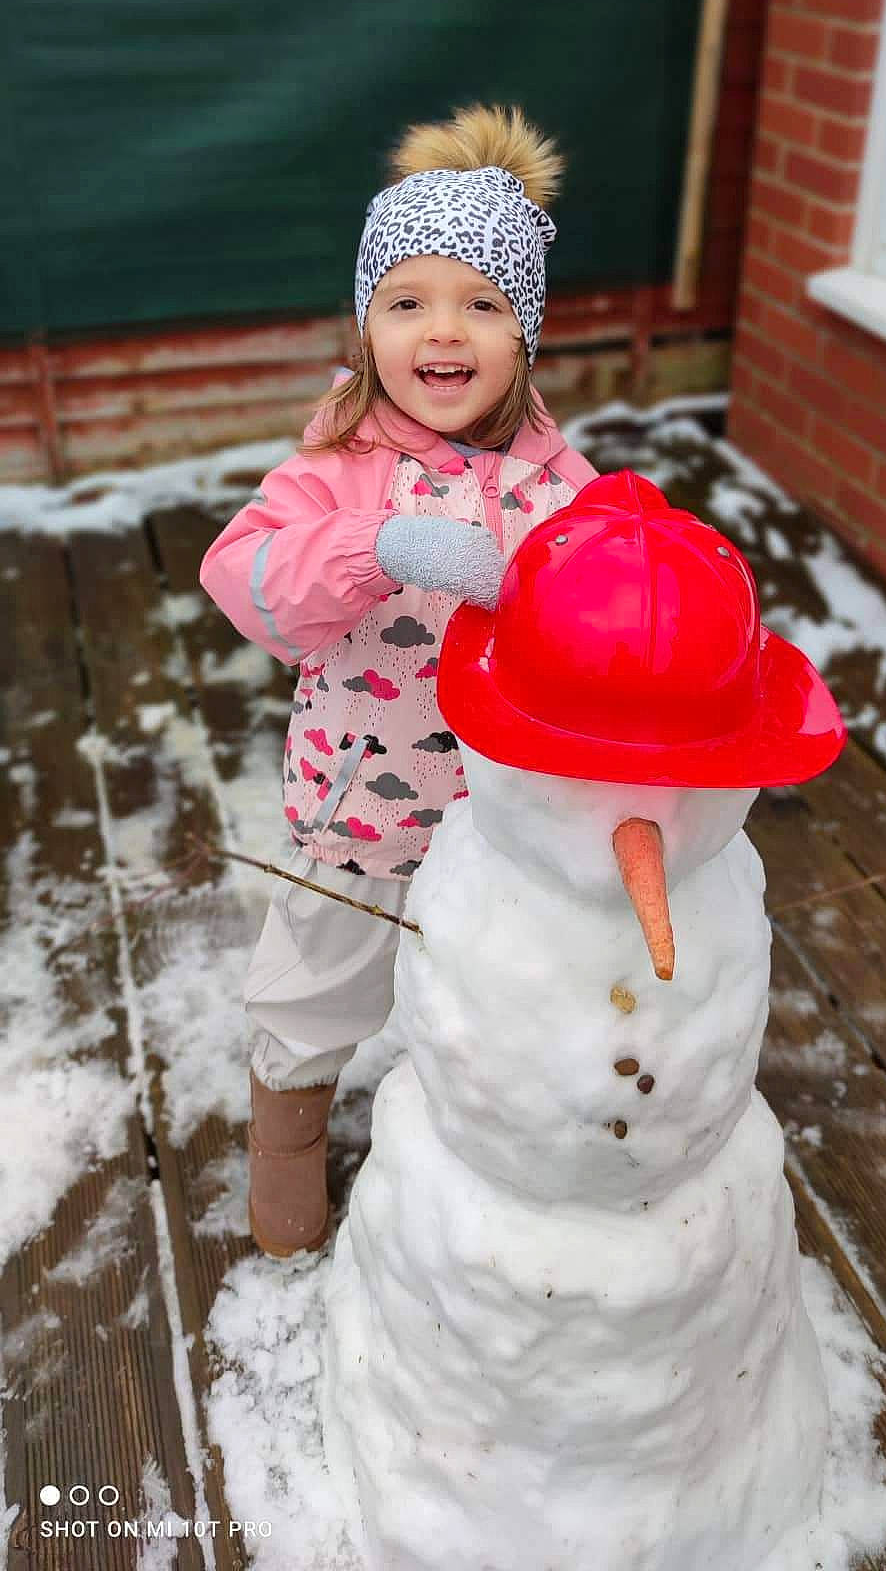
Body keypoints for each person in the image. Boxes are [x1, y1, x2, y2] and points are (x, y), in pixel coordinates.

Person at [199, 103, 597, 1257]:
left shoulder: (554, 476)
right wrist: (377, 549)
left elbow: (598, 601)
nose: (444, 331)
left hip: (506, 805)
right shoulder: (337, 464)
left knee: (495, 980)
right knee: (321, 972)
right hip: (364, 798)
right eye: (408, 300)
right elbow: (247, 581)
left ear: (525, 335)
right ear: (367, 321)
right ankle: (286, 1132)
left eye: (482, 303)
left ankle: (473, 1137)